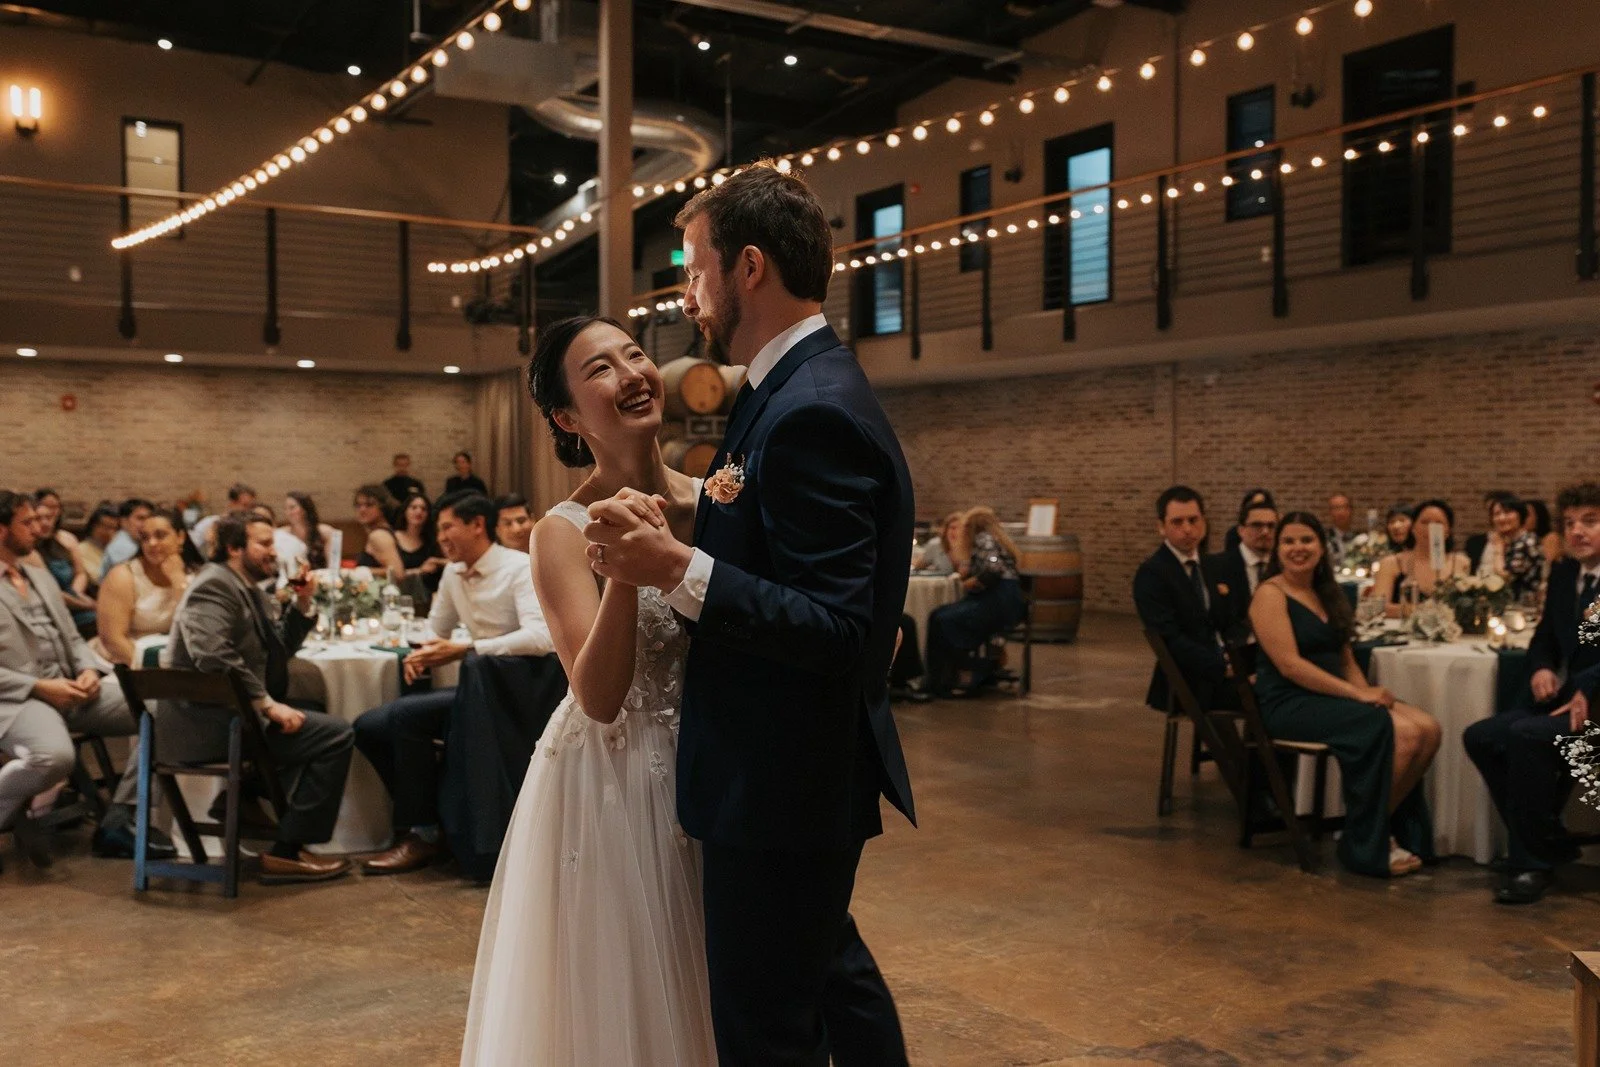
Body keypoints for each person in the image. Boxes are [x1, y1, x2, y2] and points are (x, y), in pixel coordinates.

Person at [570, 164, 916, 1066]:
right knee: (828, 983)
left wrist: (677, 567)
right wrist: (696, 530)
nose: (688, 297)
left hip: (780, 785)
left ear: (749, 267)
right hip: (779, 779)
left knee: (766, 1036)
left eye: (695, 269)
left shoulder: (811, 409)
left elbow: (836, 628)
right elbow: (779, 543)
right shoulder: (782, 386)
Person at [461, 318, 715, 1062]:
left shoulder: (714, 498)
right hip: (620, 777)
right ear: (568, 418)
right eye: (600, 369)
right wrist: (625, 574)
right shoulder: (560, 532)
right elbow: (599, 697)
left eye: (635, 354)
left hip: (717, 757)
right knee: (634, 988)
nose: (631, 374)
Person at [355, 492, 553, 877]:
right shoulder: (452, 573)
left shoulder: (517, 567)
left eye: (447, 527)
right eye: (438, 529)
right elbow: (437, 630)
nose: (440, 537)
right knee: (369, 727)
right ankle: (432, 821)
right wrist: (420, 652)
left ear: (477, 525)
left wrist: (468, 649)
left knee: (405, 719)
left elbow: (541, 637)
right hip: (476, 689)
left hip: (519, 692)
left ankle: (423, 834)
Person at [162, 515, 354, 884]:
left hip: (229, 718)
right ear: (234, 548)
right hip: (206, 725)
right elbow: (212, 654)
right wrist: (266, 703)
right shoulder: (214, 585)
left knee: (313, 713)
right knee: (337, 734)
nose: (273, 552)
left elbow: (277, 649)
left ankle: (244, 799)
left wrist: (303, 602)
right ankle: (287, 852)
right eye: (264, 544)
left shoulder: (245, 586)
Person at [1250, 512, 1441, 877]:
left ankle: (1364, 831)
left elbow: (1345, 659)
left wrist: (1365, 691)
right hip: (1290, 702)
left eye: (1307, 540)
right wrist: (1356, 696)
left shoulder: (1326, 592)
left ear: (1322, 547)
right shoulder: (1269, 594)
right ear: (1277, 549)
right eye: (1288, 541)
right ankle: (1368, 842)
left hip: (1328, 695)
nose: (1298, 548)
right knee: (1400, 732)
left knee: (1428, 729)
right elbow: (1290, 666)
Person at [0, 490, 173, 866]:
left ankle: (121, 818)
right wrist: (39, 686)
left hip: (71, 687)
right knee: (54, 756)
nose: (38, 528)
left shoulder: (38, 576)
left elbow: (74, 637)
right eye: (27, 522)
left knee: (167, 710)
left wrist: (88, 670)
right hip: (21, 697)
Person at [1463, 483, 1600, 904]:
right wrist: (1541, 666)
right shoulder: (1565, 573)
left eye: (1590, 521)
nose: (1577, 531)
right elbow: (1544, 638)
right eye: (1569, 523)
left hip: (1596, 705)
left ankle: (1530, 862)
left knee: (1527, 736)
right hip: (1568, 700)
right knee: (1481, 736)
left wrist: (1588, 688)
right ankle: (1546, 842)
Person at [1133, 486, 1233, 715]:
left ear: (1204, 522)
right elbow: (1170, 639)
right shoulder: (1152, 574)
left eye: (1193, 520)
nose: (1187, 529)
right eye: (1177, 522)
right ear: (1161, 527)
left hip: (1222, 668)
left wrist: (1238, 657)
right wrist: (1220, 666)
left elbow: (1228, 620)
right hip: (1187, 681)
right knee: (1269, 696)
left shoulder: (1213, 566)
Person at [924, 506, 1027, 697]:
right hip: (1006, 602)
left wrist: (974, 581)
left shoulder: (983, 538)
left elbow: (993, 569)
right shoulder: (996, 540)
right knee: (940, 615)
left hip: (997, 603)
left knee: (941, 619)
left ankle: (950, 679)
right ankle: (961, 673)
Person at [91, 507, 202, 667]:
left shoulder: (197, 575)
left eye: (160, 535)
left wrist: (178, 580)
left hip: (175, 661)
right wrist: (150, 670)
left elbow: (198, 629)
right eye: (145, 537)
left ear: (180, 537)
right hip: (124, 663)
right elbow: (112, 640)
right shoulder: (123, 576)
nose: (152, 543)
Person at [1371, 499, 1472, 615]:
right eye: (1425, 522)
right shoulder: (1391, 563)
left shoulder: (1461, 562)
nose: (1431, 528)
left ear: (1448, 531)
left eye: (1438, 523)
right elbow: (1378, 607)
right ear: (1413, 527)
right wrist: (1418, 610)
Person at [1208, 495, 1279, 653]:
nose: (1265, 532)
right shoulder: (1215, 567)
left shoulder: (1283, 567)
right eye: (1257, 525)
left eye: (1271, 526)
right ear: (1241, 530)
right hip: (1233, 653)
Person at [26, 489, 96, 633]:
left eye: (49, 517)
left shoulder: (59, 542)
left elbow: (80, 573)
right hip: (55, 611)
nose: (45, 523)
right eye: (39, 518)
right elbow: (51, 592)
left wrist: (77, 594)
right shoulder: (29, 553)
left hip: (74, 601)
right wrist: (84, 604)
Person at [1476, 495, 1545, 602]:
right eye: (1497, 514)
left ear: (1520, 515)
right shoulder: (1509, 542)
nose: (1502, 518)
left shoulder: (1527, 541)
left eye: (1507, 512)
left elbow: (1505, 577)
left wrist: (1498, 548)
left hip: (1526, 605)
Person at [393, 492, 447, 595]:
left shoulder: (433, 540)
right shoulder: (392, 539)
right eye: (414, 507)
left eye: (423, 509)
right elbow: (392, 573)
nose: (418, 511)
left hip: (428, 594)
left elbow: (454, 562)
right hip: (398, 593)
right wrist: (419, 570)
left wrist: (437, 561)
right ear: (405, 511)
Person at [190, 483, 257, 555]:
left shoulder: (252, 528)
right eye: (245, 505)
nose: (249, 511)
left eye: (252, 507)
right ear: (232, 503)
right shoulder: (208, 523)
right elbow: (191, 548)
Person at [353, 485, 404, 578]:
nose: (362, 510)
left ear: (383, 507)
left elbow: (397, 573)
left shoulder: (379, 535)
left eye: (369, 505)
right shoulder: (382, 532)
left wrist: (360, 572)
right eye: (358, 505)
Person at [277, 491, 336, 571]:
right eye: (286, 509)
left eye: (292, 508)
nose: (288, 513)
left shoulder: (326, 532)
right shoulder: (281, 533)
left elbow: (333, 566)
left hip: (321, 576)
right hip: (293, 577)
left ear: (305, 509)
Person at [99, 497, 153, 579]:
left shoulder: (137, 541)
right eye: (140, 518)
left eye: (150, 518)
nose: (146, 523)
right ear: (124, 522)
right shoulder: (122, 545)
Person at [1464, 490, 1516, 574]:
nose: (1501, 518)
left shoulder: (1521, 542)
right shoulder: (1475, 542)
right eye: (1494, 513)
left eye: (1505, 511)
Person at [75, 503, 120, 586]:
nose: (109, 532)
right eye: (105, 526)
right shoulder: (80, 550)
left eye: (114, 528)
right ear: (93, 526)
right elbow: (99, 579)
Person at [1222, 487, 1275, 554]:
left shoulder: (1276, 532)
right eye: (1255, 505)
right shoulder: (1233, 534)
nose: (1265, 531)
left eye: (1262, 505)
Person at [912, 511, 962, 575]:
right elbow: (918, 567)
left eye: (960, 528)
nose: (957, 532)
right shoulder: (935, 545)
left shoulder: (970, 547)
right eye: (953, 528)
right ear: (946, 530)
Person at [1528, 499, 1562, 567]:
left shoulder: (1551, 537)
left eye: (1527, 515)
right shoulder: (1525, 538)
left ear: (1538, 516)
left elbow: (1547, 563)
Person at [1326, 493, 1356, 565]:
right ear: (1330, 512)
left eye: (1345, 507)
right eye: (1336, 508)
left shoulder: (1360, 538)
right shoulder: (1325, 538)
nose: (1341, 512)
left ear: (1351, 511)